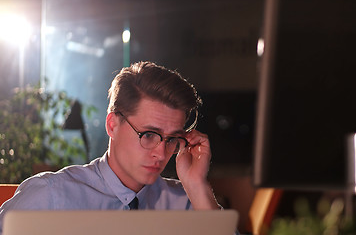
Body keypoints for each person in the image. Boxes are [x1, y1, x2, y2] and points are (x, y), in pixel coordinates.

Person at [0, 61, 223, 233]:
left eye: (172, 139)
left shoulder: (187, 204)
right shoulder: (52, 197)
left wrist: (197, 187)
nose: (161, 152)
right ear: (112, 125)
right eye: (149, 135)